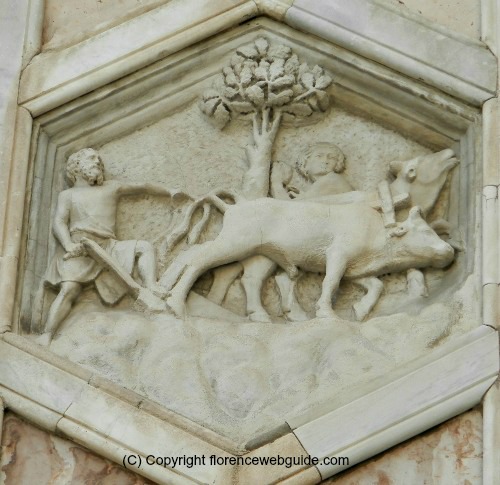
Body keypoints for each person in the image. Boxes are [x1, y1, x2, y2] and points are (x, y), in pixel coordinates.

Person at [41, 148, 171, 343]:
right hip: (81, 247)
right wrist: (68, 245)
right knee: (69, 289)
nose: (98, 161)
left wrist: (171, 191)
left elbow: (142, 186)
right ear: (77, 166)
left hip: (109, 246)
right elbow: (59, 222)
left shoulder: (111, 187)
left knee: (143, 247)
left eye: (99, 159)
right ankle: (47, 334)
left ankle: (151, 285)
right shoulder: (68, 195)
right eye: (92, 158)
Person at [271, 142, 353, 201]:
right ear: (305, 162)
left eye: (332, 157)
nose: (325, 161)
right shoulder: (323, 182)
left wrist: (276, 182)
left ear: (337, 164)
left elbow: (287, 207)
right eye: (319, 156)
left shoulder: (332, 179)